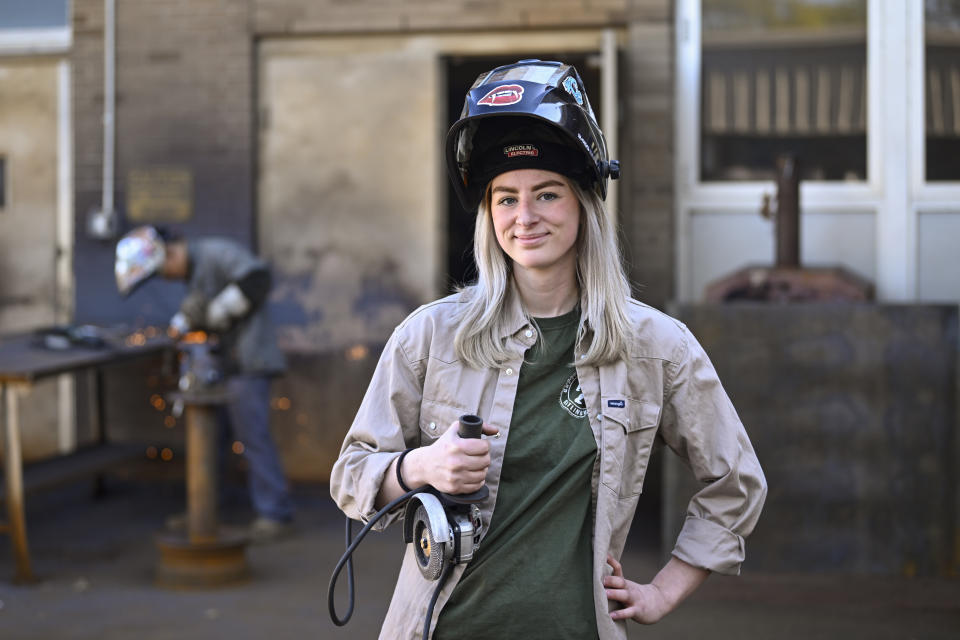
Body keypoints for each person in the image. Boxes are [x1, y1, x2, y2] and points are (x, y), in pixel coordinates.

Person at [330, 59, 766, 639]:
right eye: (505, 199)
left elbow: (735, 481)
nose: (525, 216)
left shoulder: (655, 347)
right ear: (488, 215)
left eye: (547, 193)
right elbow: (351, 475)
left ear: (584, 205)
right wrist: (421, 465)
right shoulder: (431, 336)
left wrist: (664, 590)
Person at [115, 226, 295, 542]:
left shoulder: (216, 251)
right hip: (223, 365)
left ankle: (275, 515)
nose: (166, 278)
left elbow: (258, 280)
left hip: (249, 364)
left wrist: (216, 312)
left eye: (161, 272)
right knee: (210, 439)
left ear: (168, 254)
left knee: (253, 439)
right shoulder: (195, 272)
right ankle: (204, 510)